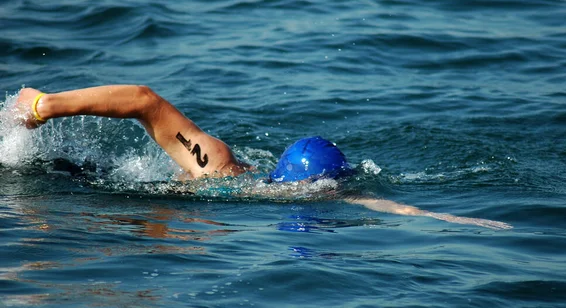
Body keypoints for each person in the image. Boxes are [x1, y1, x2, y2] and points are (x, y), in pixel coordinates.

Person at [14, 85, 512, 230]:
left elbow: (144, 100)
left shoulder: (228, 168)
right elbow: (144, 101)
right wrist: (43, 107)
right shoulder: (221, 171)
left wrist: (452, 218)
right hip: (94, 190)